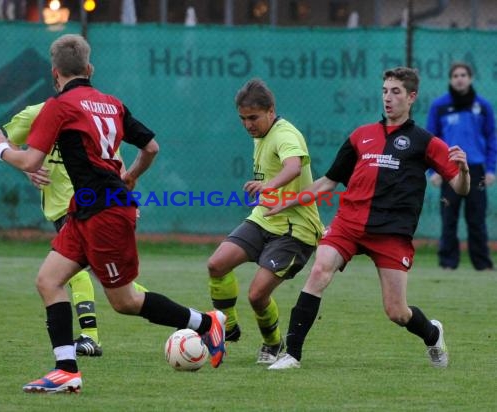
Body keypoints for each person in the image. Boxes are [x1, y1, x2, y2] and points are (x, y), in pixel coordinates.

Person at [0, 34, 226, 393]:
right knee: (48, 281)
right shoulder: (111, 103)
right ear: (90, 68)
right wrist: (129, 176)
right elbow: (151, 147)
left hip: (105, 212)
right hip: (86, 209)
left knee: (125, 301)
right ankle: (66, 370)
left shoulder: (60, 105)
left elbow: (29, 160)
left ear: (55, 73)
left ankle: (206, 324)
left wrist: (0, 148)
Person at [264, 67, 470, 370]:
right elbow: (327, 182)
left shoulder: (426, 142)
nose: (388, 98)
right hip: (349, 223)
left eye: (396, 92)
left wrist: (464, 170)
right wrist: (286, 202)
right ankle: (292, 354)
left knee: (397, 312)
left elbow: (459, 189)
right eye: (385, 90)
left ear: (412, 97)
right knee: (320, 270)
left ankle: (432, 332)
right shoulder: (361, 136)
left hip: (391, 233)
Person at [3, 102, 148, 357]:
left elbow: (113, 157)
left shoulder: (91, 113)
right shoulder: (37, 113)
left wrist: (124, 195)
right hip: (66, 205)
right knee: (119, 288)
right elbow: (10, 142)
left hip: (85, 204)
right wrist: (28, 171)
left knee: (74, 272)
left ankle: (90, 337)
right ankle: (192, 321)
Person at [207, 78, 324, 364]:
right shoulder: (260, 134)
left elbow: (294, 167)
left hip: (295, 230)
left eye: (253, 118)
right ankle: (229, 326)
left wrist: (269, 186)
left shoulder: (286, 134)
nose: (248, 125)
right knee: (216, 265)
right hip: (265, 218)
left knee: (257, 295)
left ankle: (272, 344)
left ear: (271, 111)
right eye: (243, 119)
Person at [426, 62, 496, 271]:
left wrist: (491, 169)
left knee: (477, 220)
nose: (459, 78)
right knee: (449, 219)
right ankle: (448, 263)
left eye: (463, 74)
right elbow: (430, 140)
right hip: (449, 171)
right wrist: (433, 170)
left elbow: (492, 139)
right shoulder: (439, 106)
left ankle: (482, 265)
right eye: (455, 75)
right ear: (450, 79)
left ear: (471, 78)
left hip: (476, 170)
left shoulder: (483, 106)